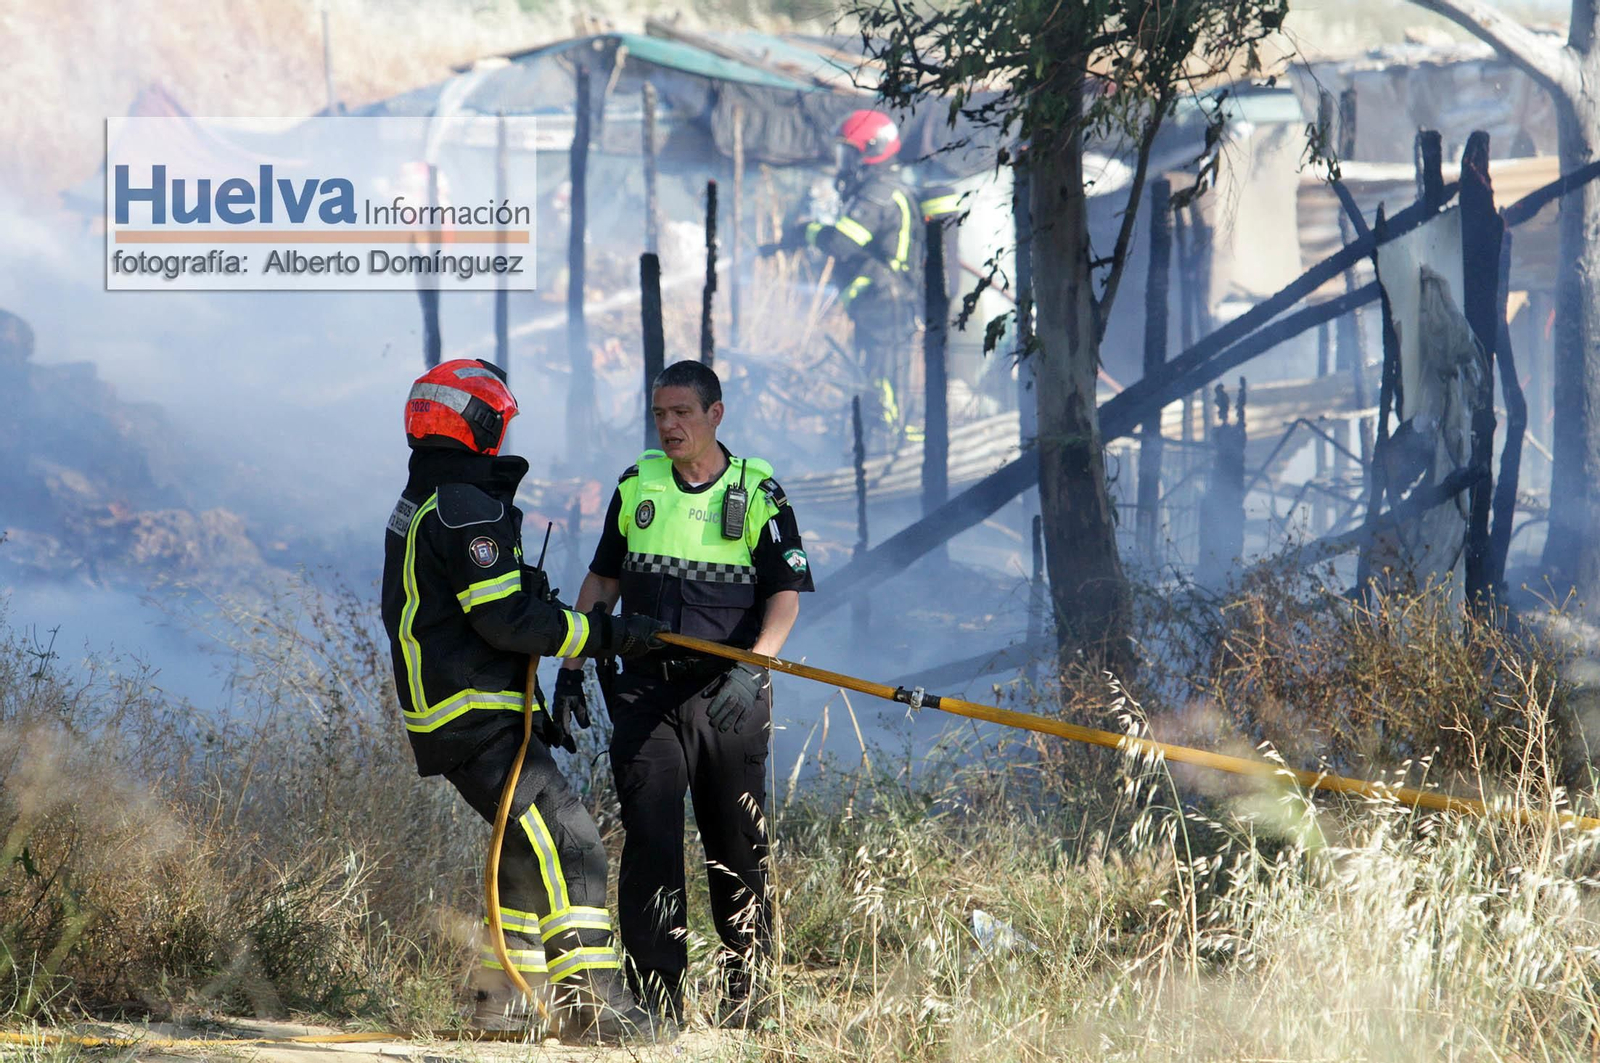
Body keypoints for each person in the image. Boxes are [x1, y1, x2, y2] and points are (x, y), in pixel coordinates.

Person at [379, 358, 670, 1043]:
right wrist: (609, 634)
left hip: (469, 709)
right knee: (574, 845)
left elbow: (471, 608)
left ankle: (501, 1003)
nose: (503, 441)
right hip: (472, 716)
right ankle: (593, 1008)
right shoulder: (462, 508)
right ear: (478, 425)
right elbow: (503, 622)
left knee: (523, 848)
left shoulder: (428, 496)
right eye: (498, 426)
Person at [556, 360, 815, 1026]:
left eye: (682, 413)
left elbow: (784, 596)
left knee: (736, 846)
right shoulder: (637, 484)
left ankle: (749, 1001)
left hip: (730, 698)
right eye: (659, 414)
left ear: (714, 414)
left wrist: (755, 666)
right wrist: (572, 663)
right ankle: (654, 1007)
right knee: (649, 845)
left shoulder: (759, 492)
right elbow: (602, 581)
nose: (668, 425)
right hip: (644, 696)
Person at [789, 108, 922, 439]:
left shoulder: (879, 193)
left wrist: (807, 231)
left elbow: (842, 243)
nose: (843, 161)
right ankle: (879, 439)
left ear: (873, 150)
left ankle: (892, 445)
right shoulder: (874, 187)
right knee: (873, 376)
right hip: (876, 299)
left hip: (886, 299)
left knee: (885, 376)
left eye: (849, 152)